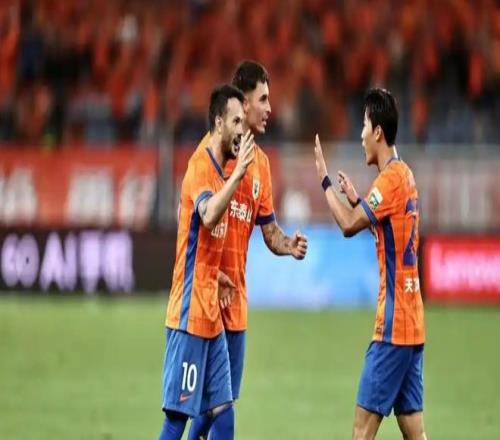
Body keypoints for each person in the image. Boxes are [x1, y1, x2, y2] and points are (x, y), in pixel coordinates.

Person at [188, 60, 308, 439]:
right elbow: (195, 224)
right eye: (263, 99)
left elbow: (269, 232)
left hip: (236, 304)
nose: (270, 108)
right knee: (215, 406)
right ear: (243, 102)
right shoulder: (213, 156)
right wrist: (209, 276)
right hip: (207, 301)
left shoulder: (262, 167)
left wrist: (288, 245)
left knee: (216, 407)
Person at [313, 88, 427, 440]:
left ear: (378, 131)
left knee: (361, 432)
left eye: (364, 125)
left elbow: (349, 225)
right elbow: (390, 229)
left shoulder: (390, 180)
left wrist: (324, 181)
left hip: (392, 329)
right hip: (413, 324)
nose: (360, 134)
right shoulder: (404, 174)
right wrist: (357, 200)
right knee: (415, 432)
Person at [158, 84, 255, 440]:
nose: (242, 130)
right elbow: (209, 215)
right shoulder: (200, 166)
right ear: (218, 123)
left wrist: (216, 276)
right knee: (177, 418)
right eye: (236, 121)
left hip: (211, 312)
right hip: (189, 316)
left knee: (223, 408)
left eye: (243, 122)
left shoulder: (219, 172)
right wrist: (239, 175)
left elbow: (201, 242)